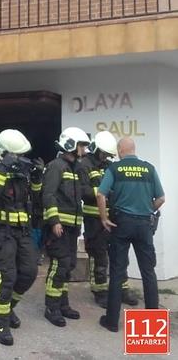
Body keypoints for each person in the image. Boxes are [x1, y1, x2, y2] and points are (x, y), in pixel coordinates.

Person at [0, 129, 43, 346]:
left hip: (21, 230)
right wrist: (4, 167)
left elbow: (35, 198)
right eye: (16, 155)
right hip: (1, 231)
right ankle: (1, 324)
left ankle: (9, 308)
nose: (20, 158)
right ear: (6, 152)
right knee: (6, 276)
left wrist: (36, 178)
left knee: (29, 272)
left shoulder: (20, 171)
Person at [97, 137, 165, 333]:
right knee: (148, 273)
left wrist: (103, 218)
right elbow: (161, 198)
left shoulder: (115, 169)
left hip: (121, 223)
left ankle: (111, 322)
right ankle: (152, 324)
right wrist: (146, 209)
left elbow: (101, 194)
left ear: (120, 150)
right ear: (134, 150)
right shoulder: (149, 169)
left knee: (117, 272)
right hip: (144, 225)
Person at [80, 131, 138, 308]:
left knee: (120, 254)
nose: (106, 157)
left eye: (108, 154)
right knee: (98, 256)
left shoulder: (109, 166)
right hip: (93, 219)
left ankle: (122, 288)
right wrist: (102, 192)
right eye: (104, 153)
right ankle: (100, 291)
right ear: (96, 149)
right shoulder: (85, 165)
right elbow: (83, 191)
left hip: (112, 217)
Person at [42, 127, 89, 327]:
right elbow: (48, 194)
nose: (84, 150)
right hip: (59, 226)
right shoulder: (56, 166)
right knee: (59, 265)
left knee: (68, 266)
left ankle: (63, 304)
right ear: (70, 145)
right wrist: (54, 221)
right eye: (81, 145)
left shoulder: (75, 168)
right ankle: (51, 308)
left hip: (72, 226)